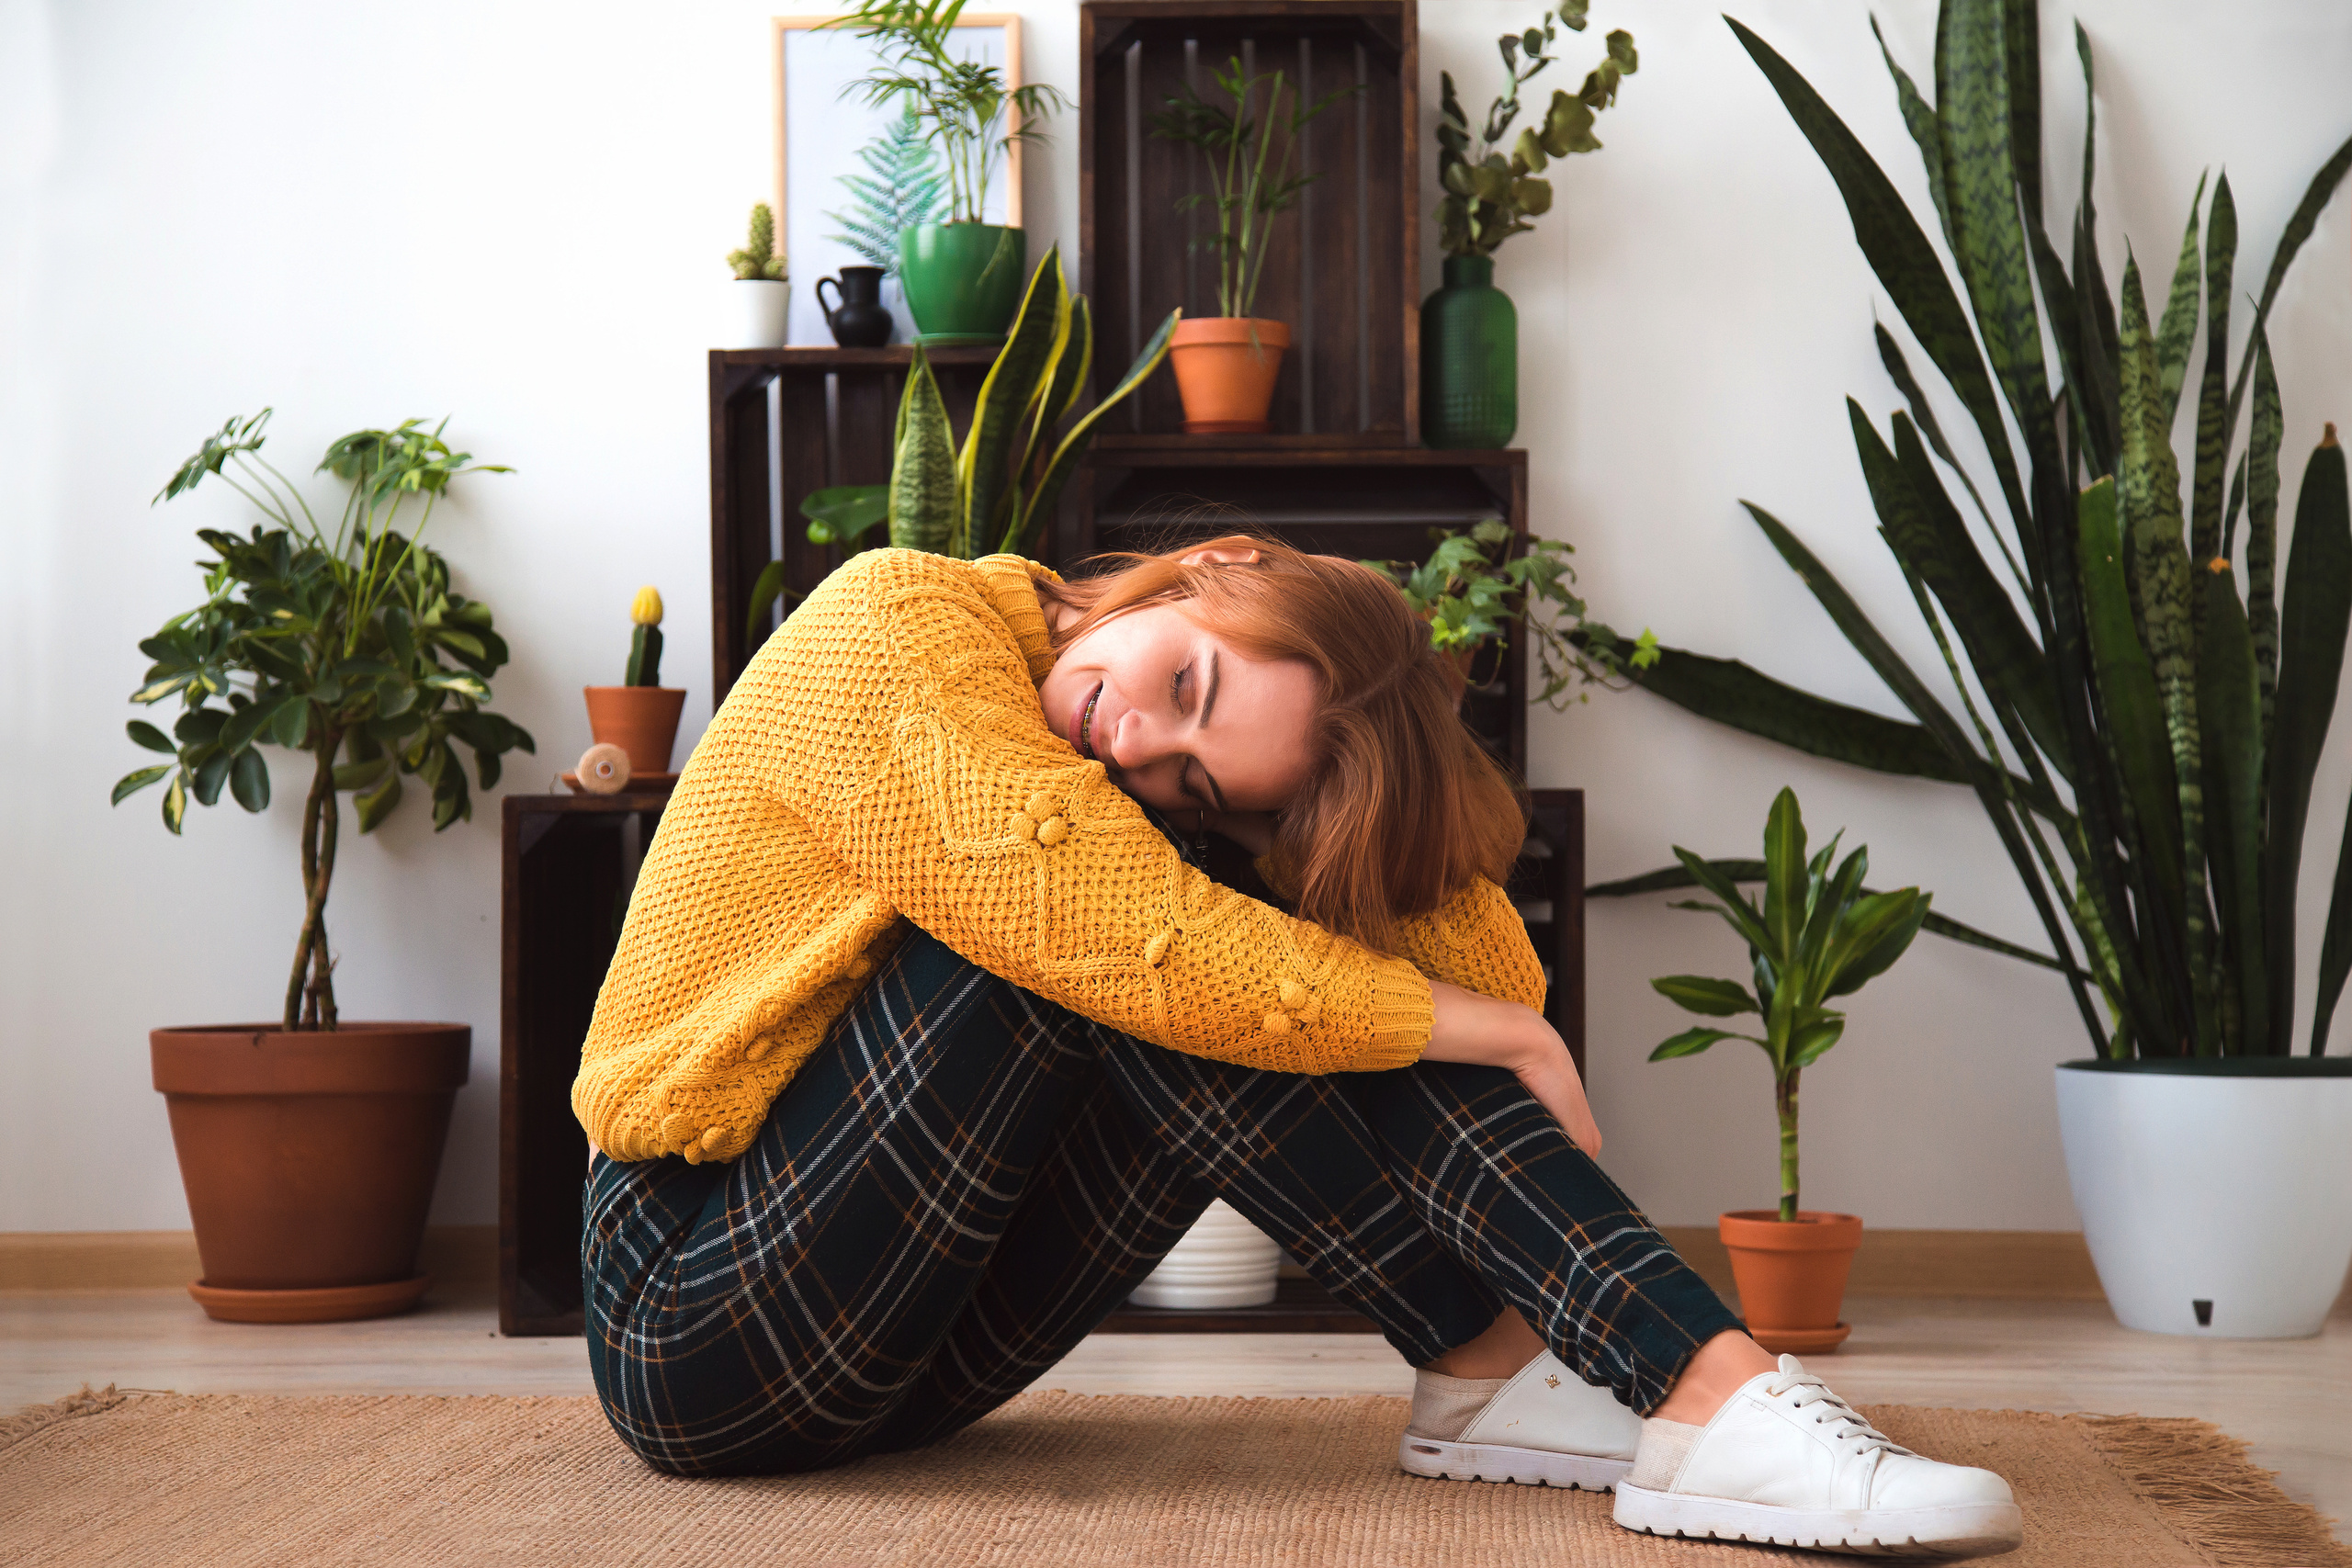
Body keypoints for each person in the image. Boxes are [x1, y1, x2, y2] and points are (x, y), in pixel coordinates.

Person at [571, 538, 2023, 1559]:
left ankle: (1505, 1370)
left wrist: (1388, 835)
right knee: (1118, 942)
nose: (1133, 743)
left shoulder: (1141, 785)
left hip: (922, 1359)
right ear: (1217, 561)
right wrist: (1490, 1026)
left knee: (1212, 933)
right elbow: (1093, 913)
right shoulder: (894, 619)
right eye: (1187, 688)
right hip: (695, 1312)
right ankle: (1699, 1385)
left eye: (1196, 761)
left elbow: (1413, 934)